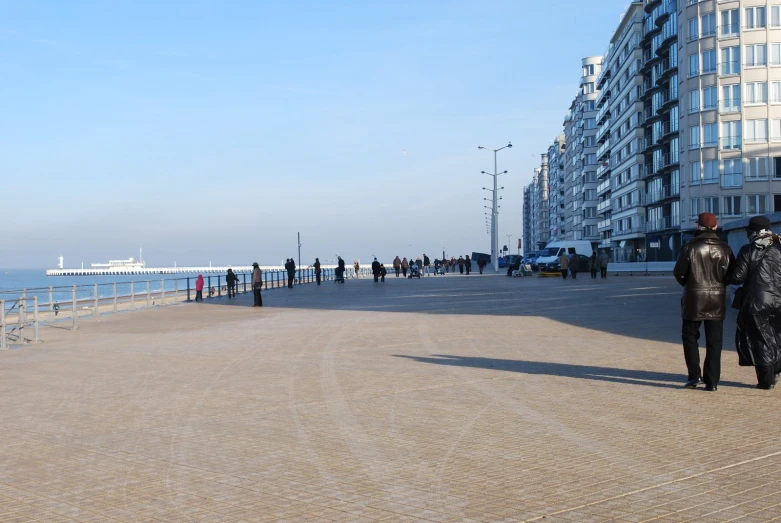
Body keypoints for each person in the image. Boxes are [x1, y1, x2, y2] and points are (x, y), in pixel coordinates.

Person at [674, 212, 733, 391]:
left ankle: (694, 376)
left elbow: (679, 273)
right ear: (715, 227)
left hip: (694, 299)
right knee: (715, 341)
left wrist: (690, 284)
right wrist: (719, 285)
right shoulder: (725, 249)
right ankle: (712, 381)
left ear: (698, 227)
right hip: (716, 299)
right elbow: (731, 275)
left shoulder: (689, 247)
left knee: (690, 337)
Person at [727, 216, 781, 389]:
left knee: (761, 340)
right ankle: (776, 370)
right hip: (779, 300)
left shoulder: (749, 249)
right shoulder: (780, 246)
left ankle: (766, 381)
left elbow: (737, 278)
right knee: (777, 336)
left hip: (757, 301)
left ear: (752, 232)